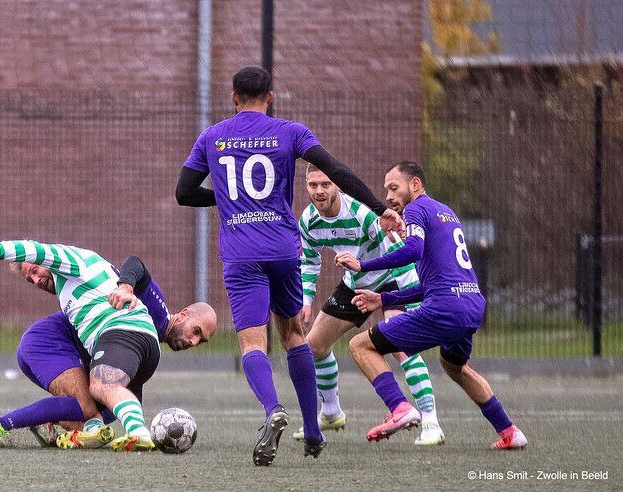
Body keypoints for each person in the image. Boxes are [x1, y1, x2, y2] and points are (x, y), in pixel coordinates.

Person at [175, 65, 405, 466]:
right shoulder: (291, 131)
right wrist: (380, 208)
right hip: (284, 250)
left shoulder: (212, 137)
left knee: (252, 342)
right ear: (270, 97)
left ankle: (272, 410)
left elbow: (183, 193)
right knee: (294, 335)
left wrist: (230, 200)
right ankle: (314, 433)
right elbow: (336, 171)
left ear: (233, 98)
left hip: (241, 255)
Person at [0, 232, 216, 452]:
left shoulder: (72, 260)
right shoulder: (70, 288)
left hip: (122, 330)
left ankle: (138, 432)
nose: (36, 279)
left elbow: (33, 249)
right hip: (142, 350)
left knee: (101, 386)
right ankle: (25, 424)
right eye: (30, 279)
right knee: (91, 405)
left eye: (36, 270)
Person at [335, 161, 527, 449]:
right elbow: (430, 284)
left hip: (445, 308)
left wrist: (363, 265)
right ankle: (509, 431)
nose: (388, 195)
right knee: (454, 367)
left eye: (394, 187)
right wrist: (384, 299)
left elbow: (413, 250)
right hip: (471, 305)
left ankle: (400, 408)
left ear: (415, 185)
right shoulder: (445, 212)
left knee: (360, 345)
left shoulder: (416, 209)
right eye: (386, 189)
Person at [293, 165, 444, 445]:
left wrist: (408, 292)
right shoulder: (308, 221)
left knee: (401, 346)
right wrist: (306, 300)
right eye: (313, 185)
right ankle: (330, 412)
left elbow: (396, 248)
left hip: (392, 278)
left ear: (337, 185)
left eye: (325, 184)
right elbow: (310, 262)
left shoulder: (361, 213)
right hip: (356, 283)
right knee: (313, 345)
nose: (319, 191)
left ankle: (431, 422)